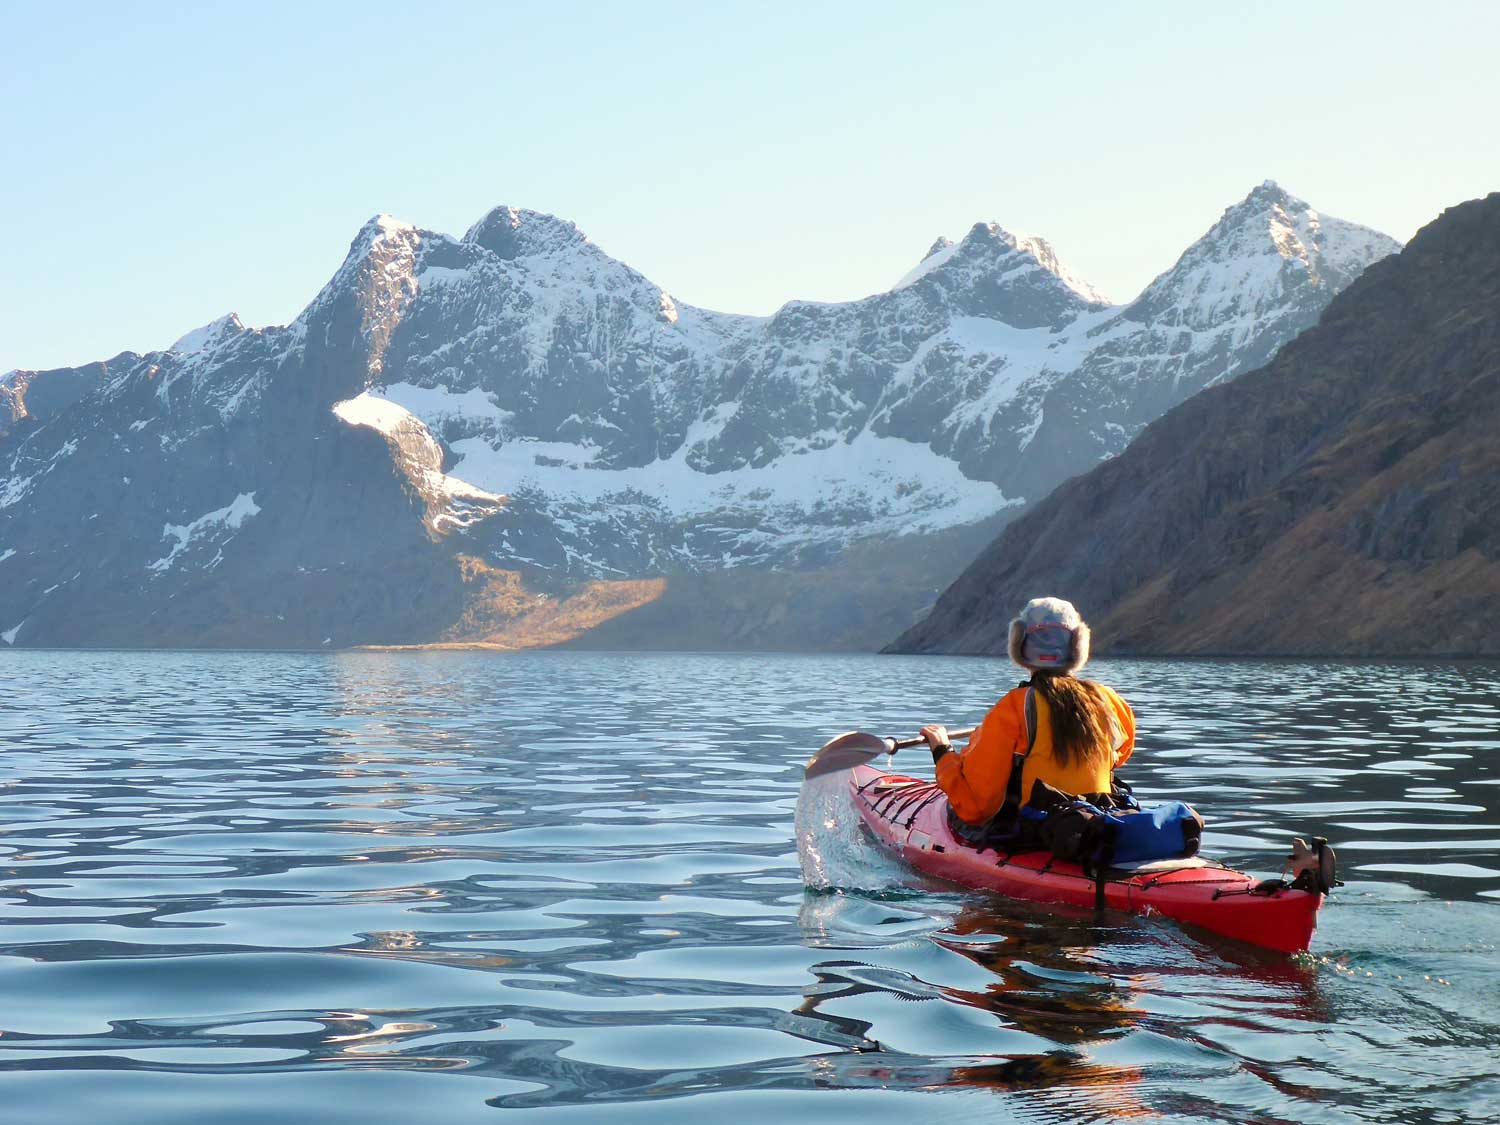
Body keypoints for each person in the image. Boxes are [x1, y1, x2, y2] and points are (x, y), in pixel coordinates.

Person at [919, 597, 1135, 839]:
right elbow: (1120, 753)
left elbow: (976, 807)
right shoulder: (1109, 701)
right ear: (1077, 645)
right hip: (1096, 822)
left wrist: (942, 752)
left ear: (1020, 644)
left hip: (1036, 834)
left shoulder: (1013, 708)